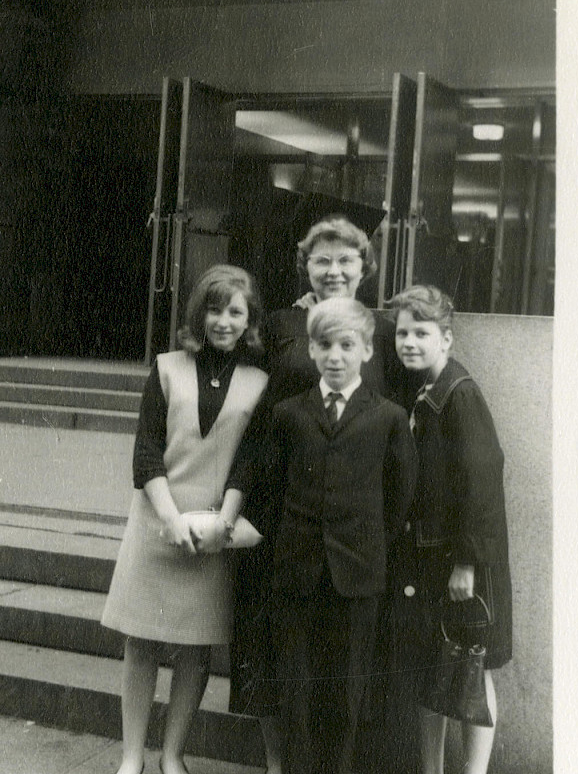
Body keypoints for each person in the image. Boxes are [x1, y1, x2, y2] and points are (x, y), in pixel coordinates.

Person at [229, 215, 400, 774]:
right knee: (288, 662)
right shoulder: (282, 324)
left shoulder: (387, 331)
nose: (333, 270)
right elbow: (250, 415)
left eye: (345, 259)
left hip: (355, 528)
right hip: (289, 519)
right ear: (306, 266)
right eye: (322, 260)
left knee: (346, 670)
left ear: (363, 266)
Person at [101, 265, 268, 774]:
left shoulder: (260, 381)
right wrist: (170, 517)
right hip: (157, 518)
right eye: (214, 310)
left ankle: (173, 756)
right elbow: (146, 451)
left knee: (195, 648)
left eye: (234, 312)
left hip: (216, 529)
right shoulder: (166, 366)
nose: (223, 321)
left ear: (249, 320)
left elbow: (249, 460)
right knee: (141, 641)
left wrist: (226, 521)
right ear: (199, 314)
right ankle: (132, 756)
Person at [262, 296, 416, 774]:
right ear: (310, 350)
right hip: (298, 572)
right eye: (325, 345)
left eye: (347, 345)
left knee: (347, 691)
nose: (335, 356)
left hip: (358, 574)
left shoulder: (388, 417)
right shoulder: (288, 413)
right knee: (299, 689)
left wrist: (366, 545)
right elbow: (271, 489)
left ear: (367, 351)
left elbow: (399, 496)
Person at [387, 285, 513, 774]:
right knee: (430, 669)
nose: (410, 342)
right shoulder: (423, 393)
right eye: (403, 333)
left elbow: (483, 482)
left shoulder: (459, 395)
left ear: (447, 339)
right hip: (428, 556)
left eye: (422, 332)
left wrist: (466, 563)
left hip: (463, 563)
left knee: (471, 669)